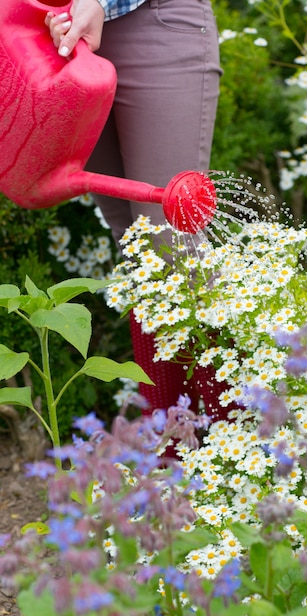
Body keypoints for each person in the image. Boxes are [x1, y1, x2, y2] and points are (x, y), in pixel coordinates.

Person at [46, 0, 222, 413]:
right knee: (138, 250)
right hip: (57, 37)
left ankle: (235, 440)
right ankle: (170, 443)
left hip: (152, 22)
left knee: (172, 247)